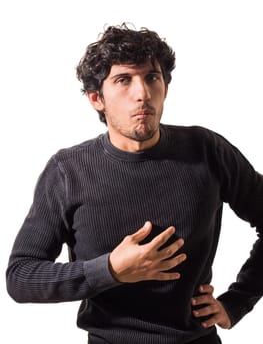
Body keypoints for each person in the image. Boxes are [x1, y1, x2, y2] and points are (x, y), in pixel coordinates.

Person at [6, 23, 263, 344]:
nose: (142, 93)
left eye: (152, 77)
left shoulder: (207, 150)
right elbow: (21, 277)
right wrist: (110, 269)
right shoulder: (68, 171)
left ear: (165, 88)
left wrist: (237, 302)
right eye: (123, 80)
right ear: (96, 98)